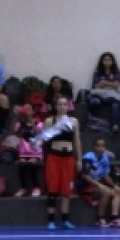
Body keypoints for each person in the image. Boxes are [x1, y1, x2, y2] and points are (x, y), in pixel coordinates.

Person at [42, 95, 82, 230]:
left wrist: (79, 159)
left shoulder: (74, 121)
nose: (62, 107)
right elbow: (44, 140)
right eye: (60, 104)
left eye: (65, 104)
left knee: (67, 190)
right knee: (52, 189)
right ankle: (51, 220)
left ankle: (65, 219)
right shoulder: (49, 121)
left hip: (68, 158)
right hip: (54, 157)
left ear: (68, 106)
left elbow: (77, 141)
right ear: (55, 106)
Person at [81, 137, 120, 227]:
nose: (100, 148)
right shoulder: (88, 157)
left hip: (98, 184)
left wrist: (114, 185)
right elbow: (84, 175)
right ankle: (99, 218)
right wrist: (100, 185)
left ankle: (114, 218)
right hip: (86, 185)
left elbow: (105, 175)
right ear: (94, 147)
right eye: (98, 146)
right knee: (107, 191)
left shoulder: (105, 159)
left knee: (118, 191)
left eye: (103, 146)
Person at [88, 52, 120, 133]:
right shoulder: (97, 72)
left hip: (112, 96)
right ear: (101, 61)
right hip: (99, 95)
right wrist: (110, 83)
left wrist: (104, 83)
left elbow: (116, 85)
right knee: (93, 102)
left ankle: (115, 125)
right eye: (105, 60)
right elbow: (96, 85)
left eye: (109, 60)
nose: (107, 62)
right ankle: (92, 121)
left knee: (115, 105)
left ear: (112, 61)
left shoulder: (116, 72)